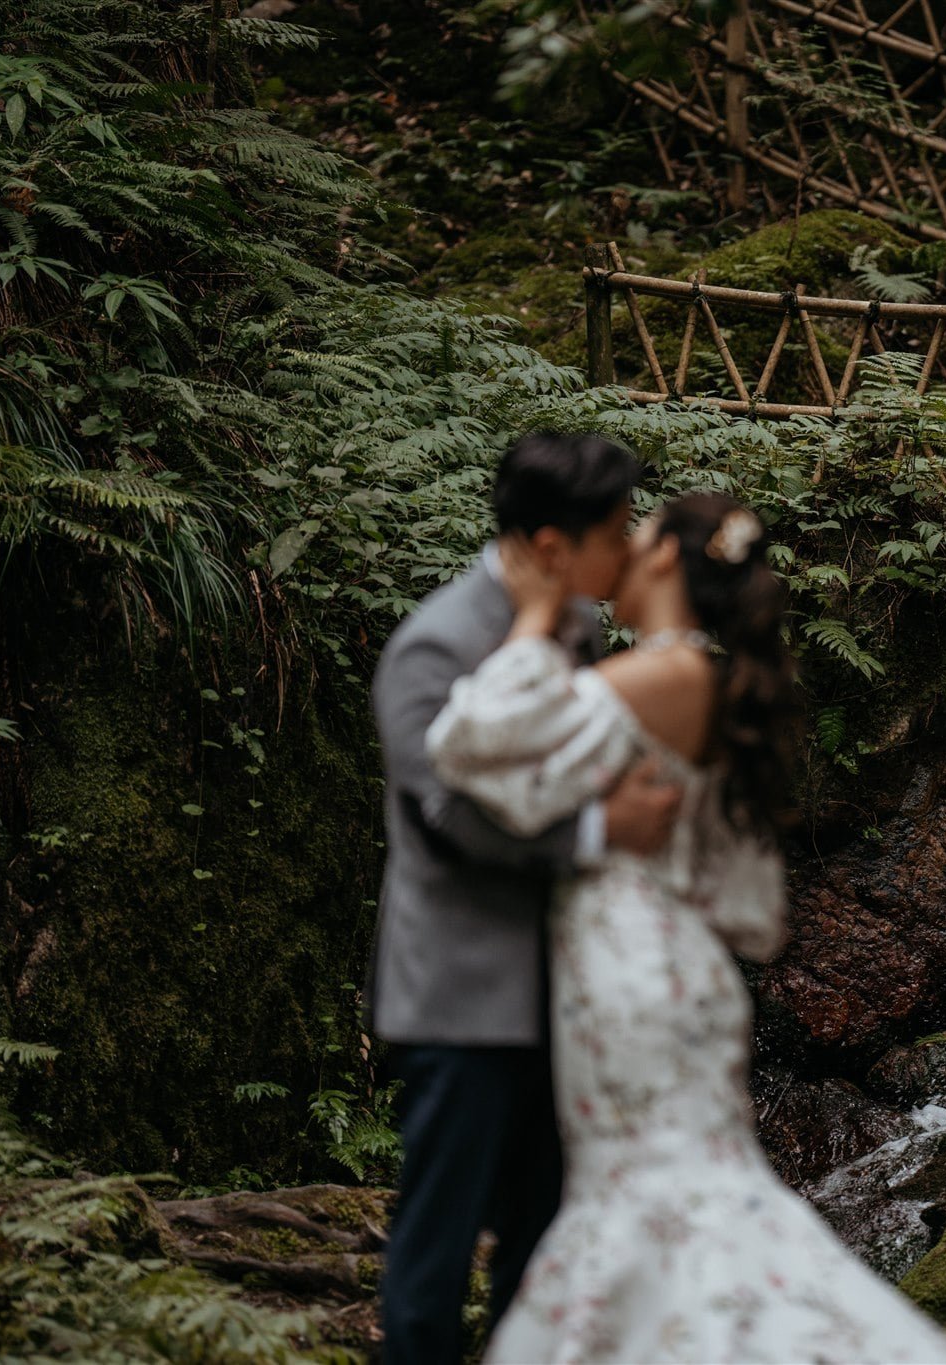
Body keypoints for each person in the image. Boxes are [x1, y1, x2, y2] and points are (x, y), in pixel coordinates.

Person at [427, 491, 946, 1364]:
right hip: (669, 964)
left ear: (661, 561)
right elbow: (754, 917)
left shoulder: (666, 674)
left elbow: (467, 741)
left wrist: (535, 618)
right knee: (679, 1206)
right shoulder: (693, 680)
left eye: (639, 533)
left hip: (629, 975)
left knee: (651, 1209)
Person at [368, 432, 684, 1365]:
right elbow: (445, 817)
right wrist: (600, 829)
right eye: (616, 532)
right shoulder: (432, 646)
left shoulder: (578, 626)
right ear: (554, 546)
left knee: (543, 1248)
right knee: (435, 1252)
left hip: (562, 990)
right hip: (461, 999)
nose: (630, 550)